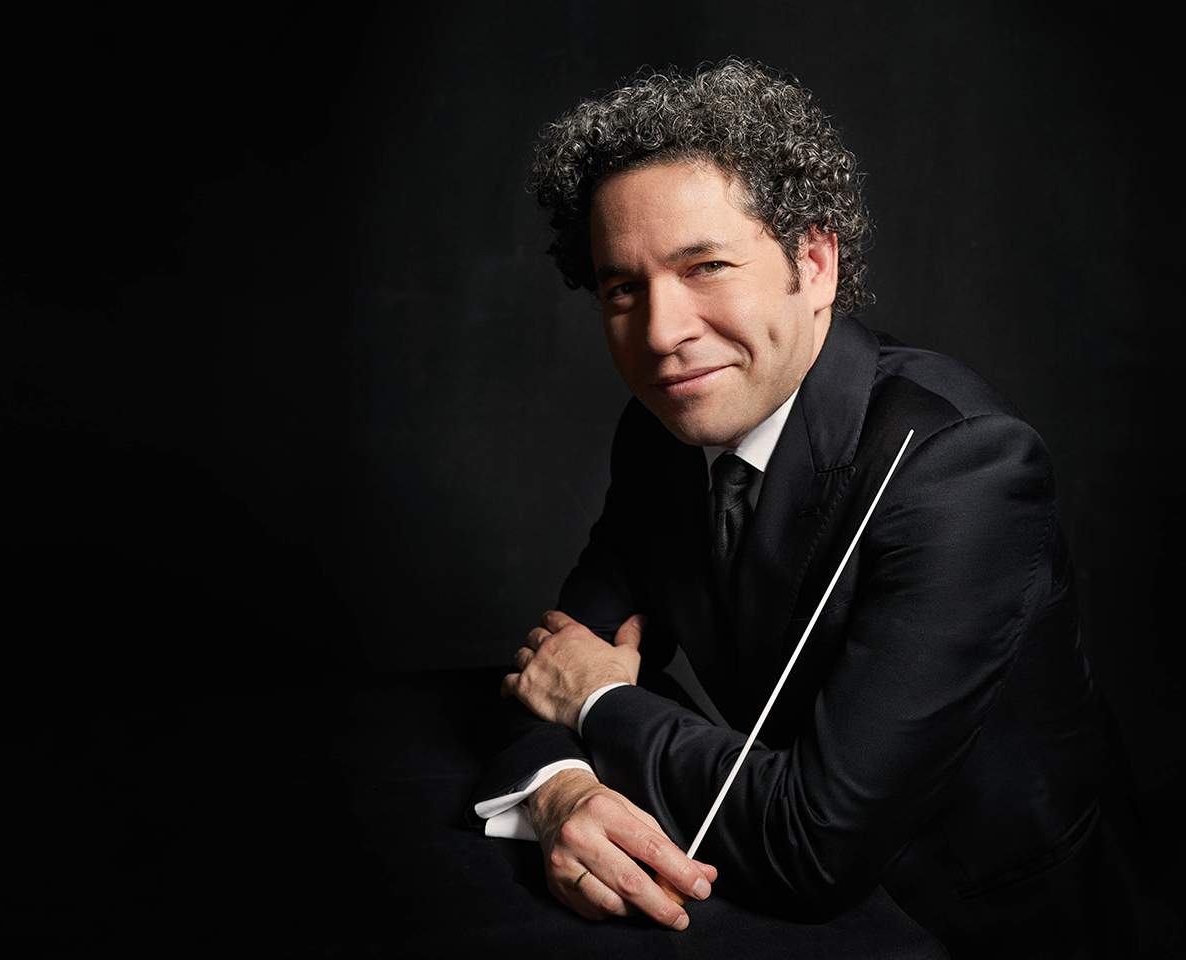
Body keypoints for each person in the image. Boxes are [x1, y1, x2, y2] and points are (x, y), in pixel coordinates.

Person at [474, 59, 1149, 957]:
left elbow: (812, 843)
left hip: (998, 928)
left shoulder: (964, 467)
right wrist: (562, 790)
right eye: (622, 289)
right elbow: (547, 666)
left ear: (816, 260)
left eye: (706, 266)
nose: (662, 333)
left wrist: (599, 703)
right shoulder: (658, 437)